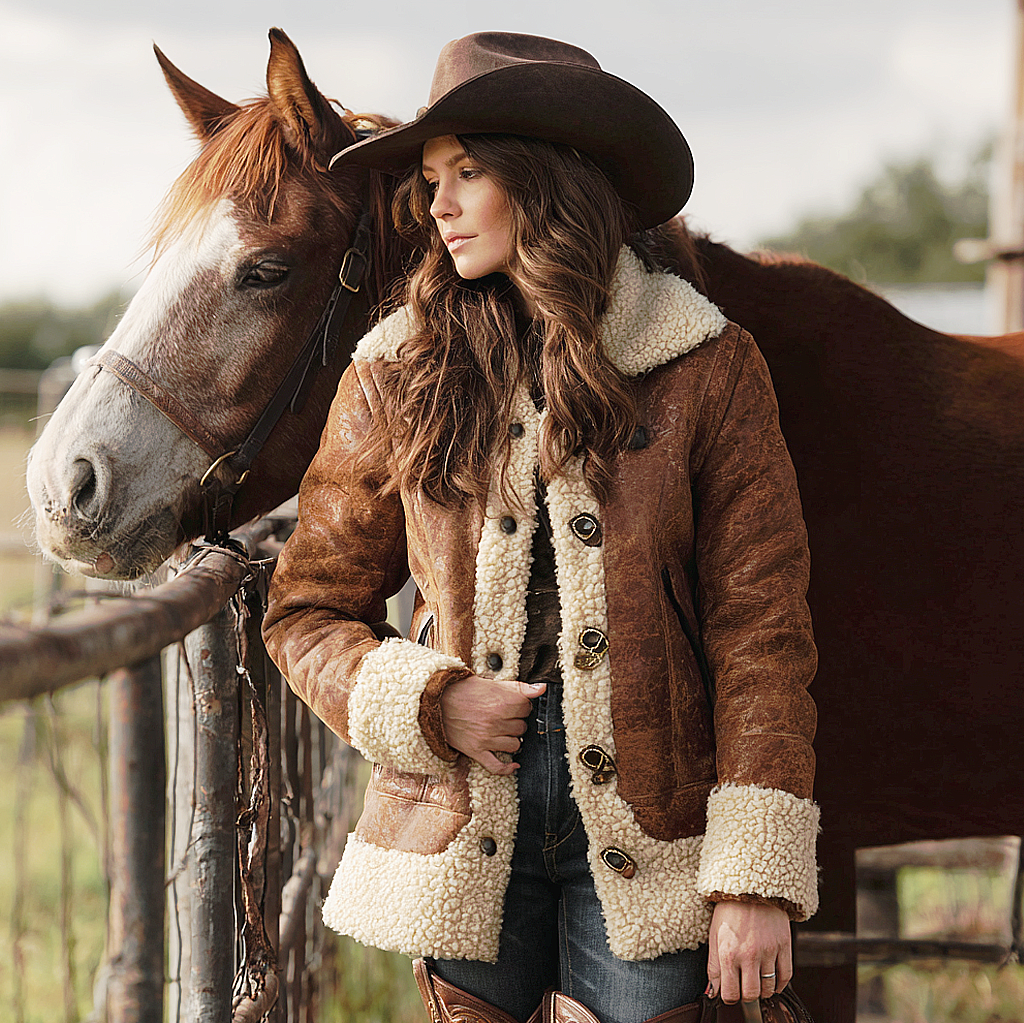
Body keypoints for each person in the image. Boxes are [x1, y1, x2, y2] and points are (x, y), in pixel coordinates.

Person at [262, 31, 818, 1023]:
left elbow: (761, 633)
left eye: (466, 172)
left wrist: (754, 873)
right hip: (463, 815)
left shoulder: (706, 365)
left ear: (550, 181)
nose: (435, 205)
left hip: (662, 825)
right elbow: (305, 612)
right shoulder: (396, 371)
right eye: (429, 178)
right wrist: (429, 702)